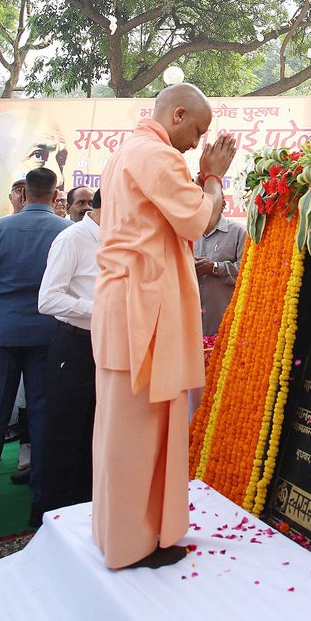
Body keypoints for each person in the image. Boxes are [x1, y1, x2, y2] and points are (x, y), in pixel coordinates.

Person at [91, 83, 237, 569]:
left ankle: (121, 531)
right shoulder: (157, 155)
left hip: (127, 306)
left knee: (120, 425)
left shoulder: (124, 153)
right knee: (139, 430)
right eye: (197, 130)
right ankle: (134, 543)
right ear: (176, 116)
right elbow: (198, 220)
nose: (198, 143)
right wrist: (212, 178)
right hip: (142, 312)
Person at [0, 166, 65, 526]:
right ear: (56, 196)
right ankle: (41, 509)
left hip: (2, 334)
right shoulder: (67, 232)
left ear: (23, 194)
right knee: (42, 421)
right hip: (47, 336)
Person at [36, 188, 101, 512]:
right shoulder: (73, 238)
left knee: (93, 433)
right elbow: (47, 299)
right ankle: (51, 515)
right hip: (74, 344)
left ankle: (83, 514)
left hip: (104, 346)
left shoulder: (123, 242)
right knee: (65, 433)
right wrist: (99, 308)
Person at [193, 198, 246, 336]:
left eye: (210, 201)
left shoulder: (239, 232)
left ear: (223, 204)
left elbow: (247, 274)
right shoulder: (188, 234)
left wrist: (215, 267)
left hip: (224, 322)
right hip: (192, 323)